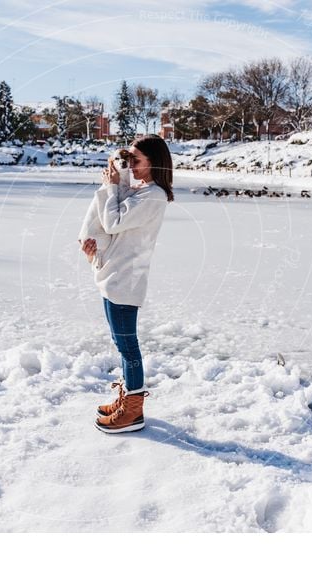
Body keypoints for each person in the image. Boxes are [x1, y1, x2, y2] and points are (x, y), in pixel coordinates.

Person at [79, 135, 174, 433]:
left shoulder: (154, 196)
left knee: (129, 348)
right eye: (128, 158)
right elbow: (113, 227)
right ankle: (126, 398)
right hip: (114, 273)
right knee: (122, 345)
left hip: (126, 280)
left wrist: (111, 185)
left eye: (137, 160)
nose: (130, 165)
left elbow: (113, 222)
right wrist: (96, 250)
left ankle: (133, 411)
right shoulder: (140, 190)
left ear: (154, 163)